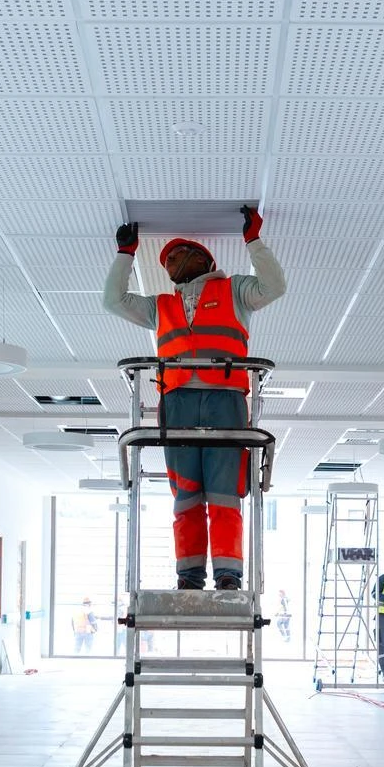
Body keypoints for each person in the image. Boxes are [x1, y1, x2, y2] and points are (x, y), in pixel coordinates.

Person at [102, 206, 286, 591]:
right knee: (185, 495)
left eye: (176, 254)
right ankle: (188, 574)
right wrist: (125, 254)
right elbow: (113, 301)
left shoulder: (234, 289)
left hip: (225, 398)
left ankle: (228, 574)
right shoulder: (161, 306)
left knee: (223, 493)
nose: (170, 262)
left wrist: (254, 242)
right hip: (179, 401)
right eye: (166, 259)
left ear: (203, 258)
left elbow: (274, 286)